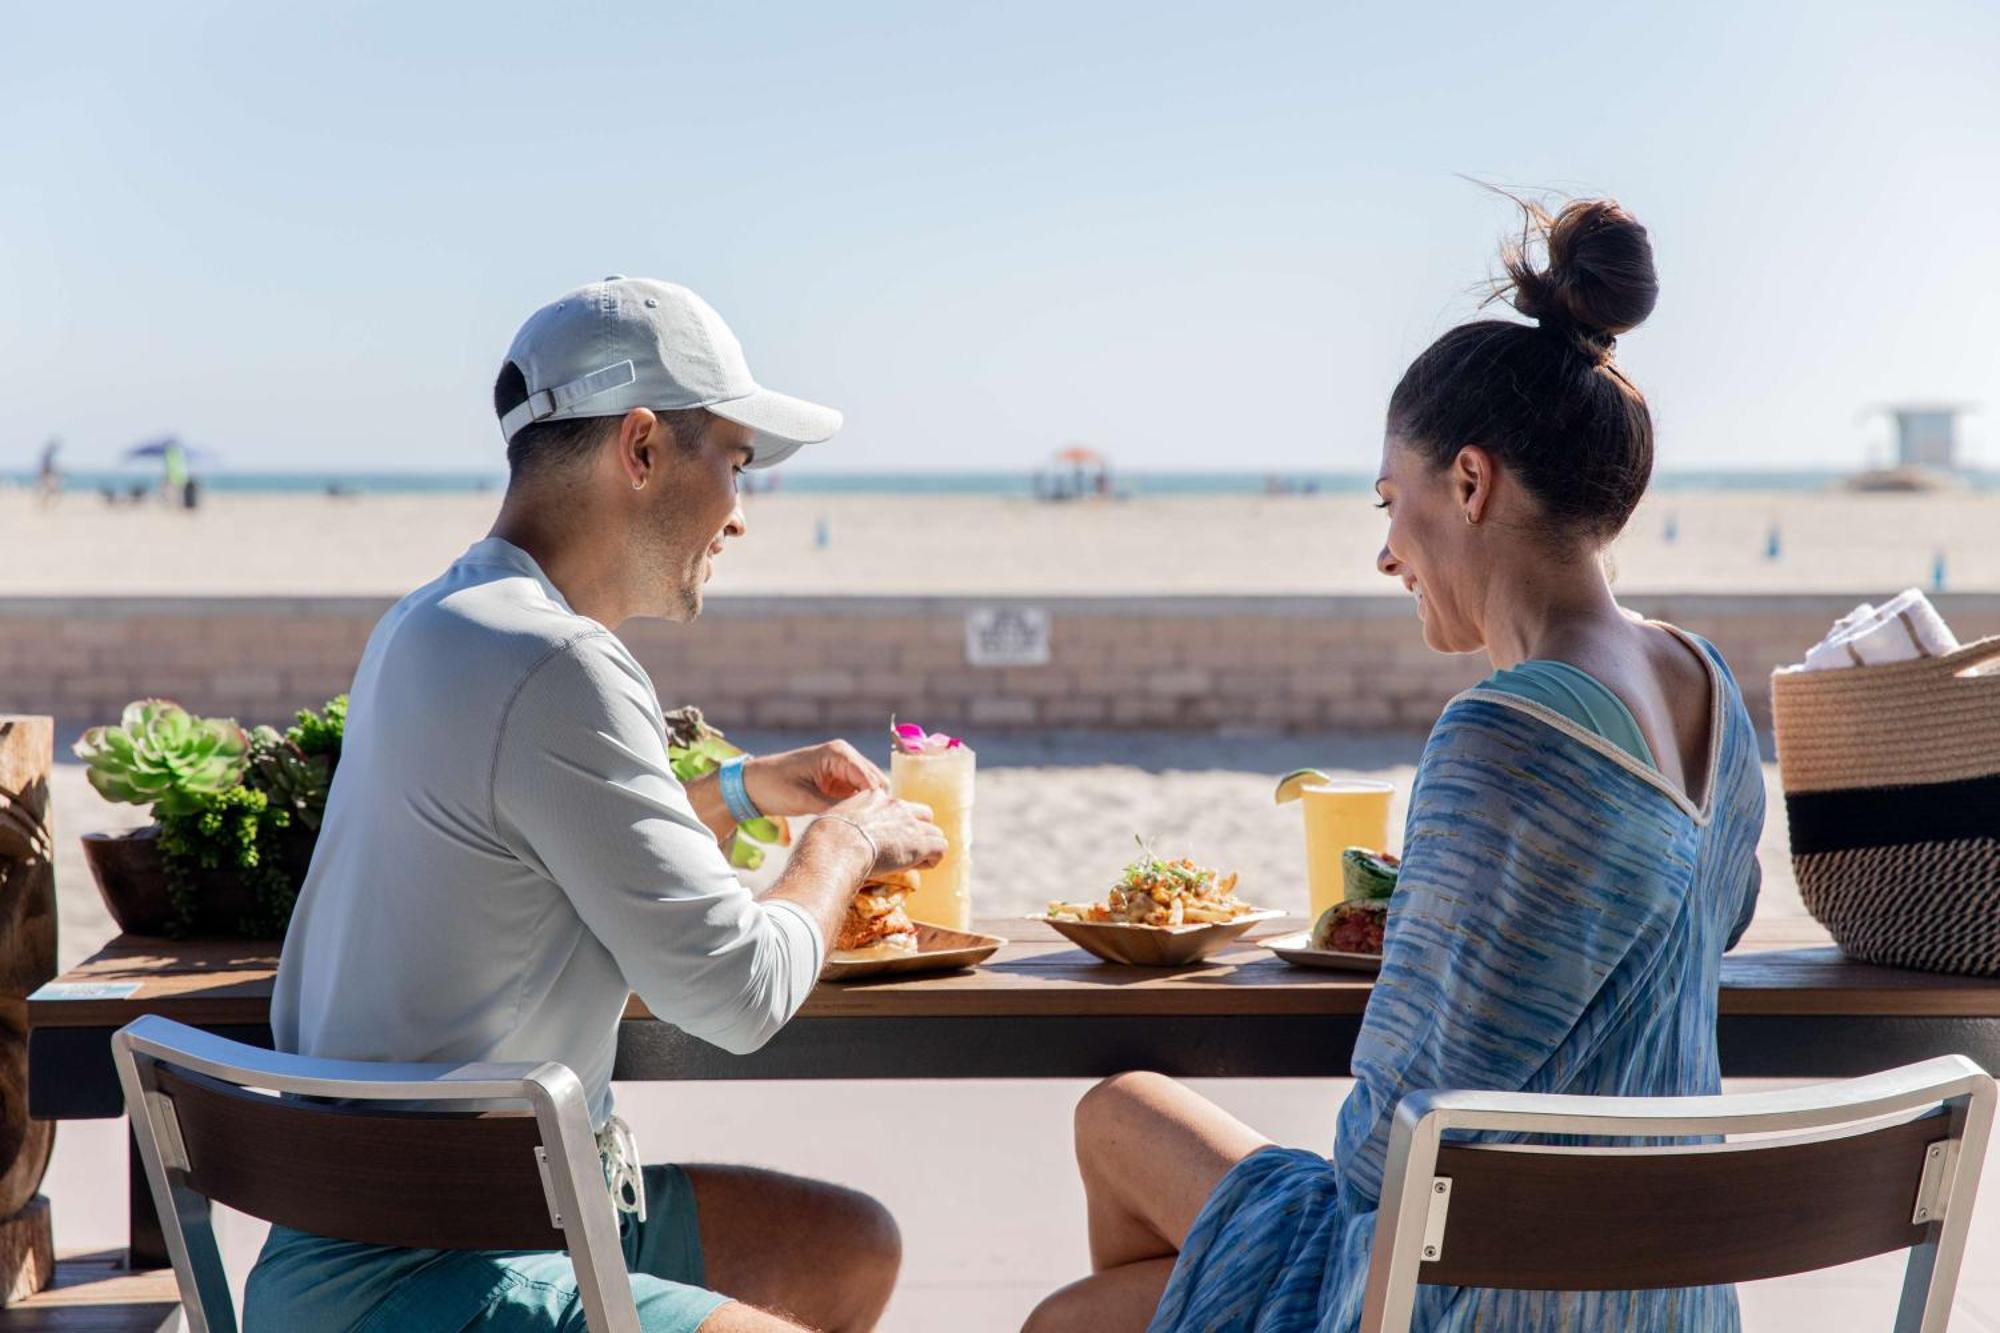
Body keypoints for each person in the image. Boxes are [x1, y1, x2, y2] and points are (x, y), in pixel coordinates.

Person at [1031, 199, 1765, 1332]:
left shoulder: (1507, 732)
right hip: (1652, 1281)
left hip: (1470, 1289)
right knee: (1119, 1117)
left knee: (1070, 1312)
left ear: (1468, 485)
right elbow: (1704, 912)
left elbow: (1386, 1142)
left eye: (1390, 500)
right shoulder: (1705, 688)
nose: (1384, 550)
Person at [247, 277, 949, 1333]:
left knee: (845, 1250)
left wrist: (737, 790)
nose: (741, 516)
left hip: (432, 1216)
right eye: (737, 463)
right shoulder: (559, 659)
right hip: (427, 1260)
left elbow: (542, 839)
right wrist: (840, 843)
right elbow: (738, 992)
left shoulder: (443, 618)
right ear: (640, 448)